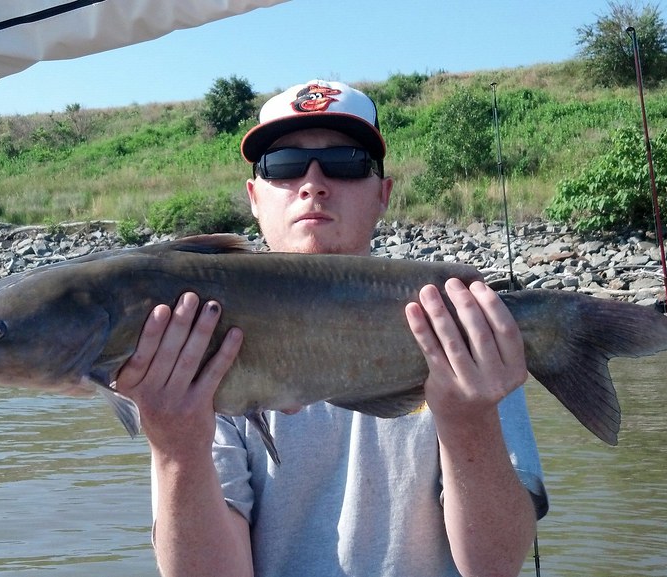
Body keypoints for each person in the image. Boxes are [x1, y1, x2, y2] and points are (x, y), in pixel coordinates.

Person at [115, 80, 547, 577]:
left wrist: (469, 421)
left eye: (345, 163)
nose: (313, 184)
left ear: (383, 194)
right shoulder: (196, 341)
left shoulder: (458, 330)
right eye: (284, 165)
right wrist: (176, 449)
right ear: (254, 198)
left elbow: (494, 567)